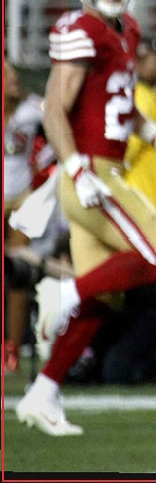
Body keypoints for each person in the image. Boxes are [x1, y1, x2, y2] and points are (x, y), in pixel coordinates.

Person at [17, 0, 156, 436]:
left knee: (102, 300)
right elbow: (54, 110)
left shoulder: (127, 29)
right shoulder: (81, 29)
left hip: (101, 168)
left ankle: (43, 393)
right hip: (91, 173)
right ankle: (61, 293)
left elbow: (120, 107)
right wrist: (75, 168)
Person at [4, 58, 43, 373]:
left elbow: (59, 120)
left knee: (18, 271)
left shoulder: (31, 110)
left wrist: (43, 161)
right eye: (8, 76)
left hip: (20, 197)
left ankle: (13, 348)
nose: (15, 81)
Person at [124, 31, 156, 225]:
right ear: (140, 59)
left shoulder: (147, 96)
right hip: (140, 207)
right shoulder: (141, 98)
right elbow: (125, 152)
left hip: (145, 207)